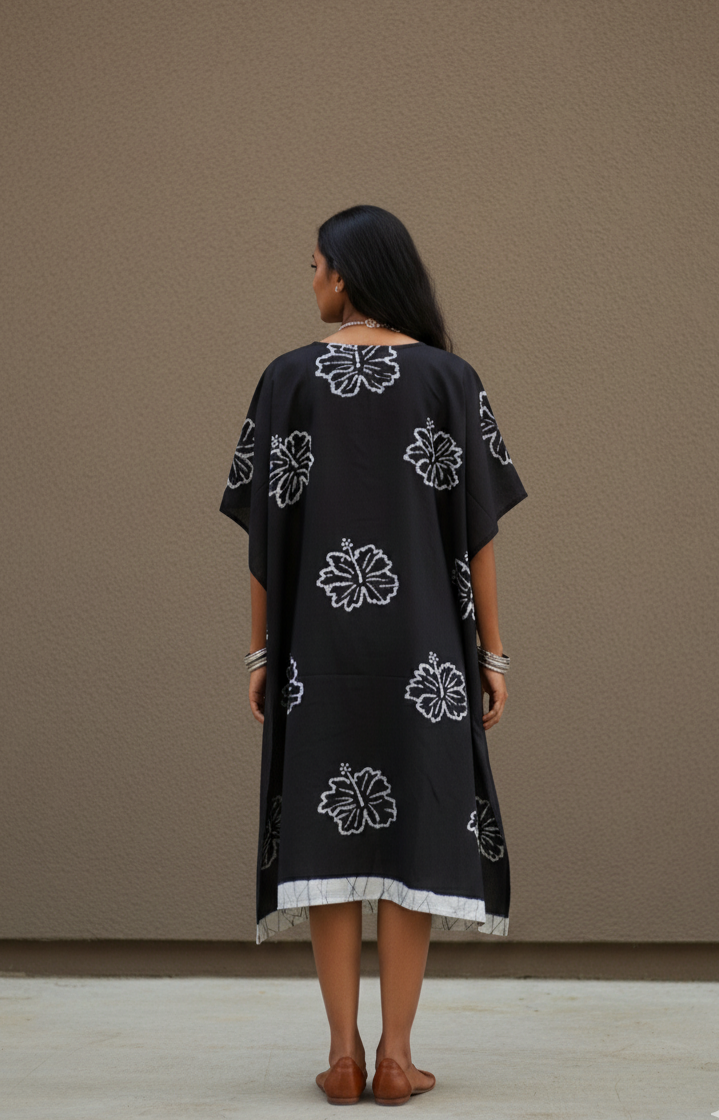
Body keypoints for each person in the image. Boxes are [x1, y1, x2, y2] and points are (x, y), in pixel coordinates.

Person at [219, 204, 528, 1106]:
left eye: (316, 264)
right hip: (424, 649)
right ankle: (397, 1057)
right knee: (413, 835)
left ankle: (342, 1056)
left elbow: (264, 537)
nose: (311, 279)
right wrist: (495, 656)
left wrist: (258, 655)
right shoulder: (450, 379)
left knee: (325, 832)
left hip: (318, 648)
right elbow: (478, 534)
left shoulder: (286, 379)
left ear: (346, 274)